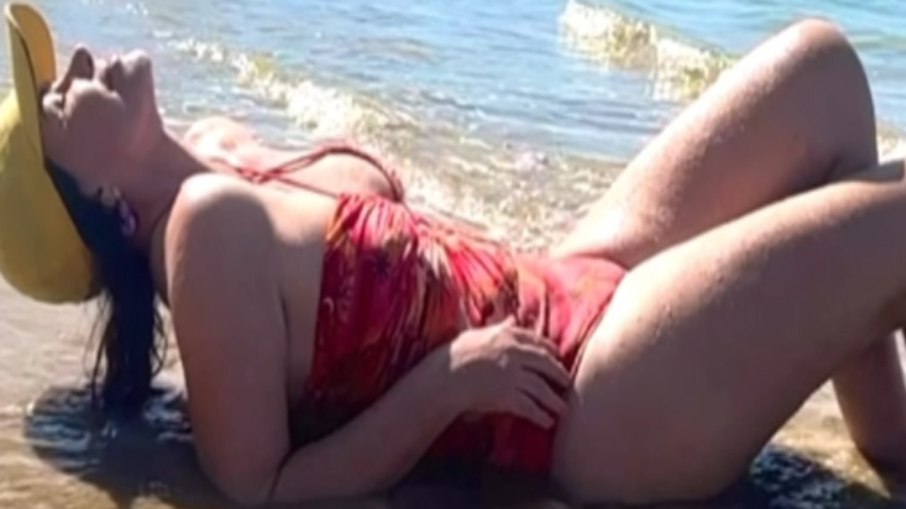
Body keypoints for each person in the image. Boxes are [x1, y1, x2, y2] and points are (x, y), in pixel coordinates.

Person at [1, 2, 905, 506]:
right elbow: (262, 487)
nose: (76, 62)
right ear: (102, 204)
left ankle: (889, 434)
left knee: (823, 69)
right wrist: (446, 386)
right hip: (591, 397)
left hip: (565, 279)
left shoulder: (220, 147)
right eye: (57, 101)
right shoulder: (199, 240)